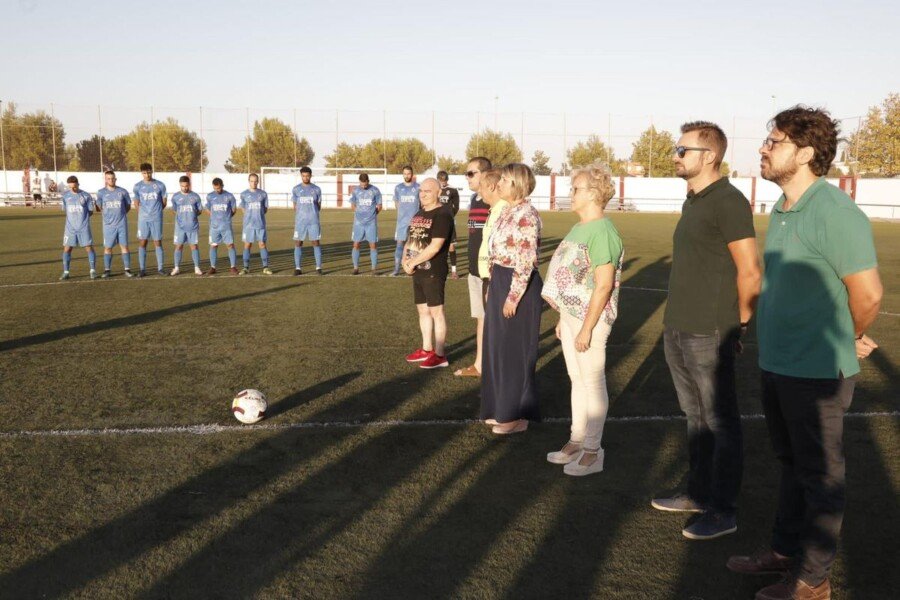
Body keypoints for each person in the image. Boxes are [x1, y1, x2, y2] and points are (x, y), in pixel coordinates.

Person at [727, 106, 882, 600]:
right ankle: (782, 551)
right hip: (778, 365)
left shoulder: (835, 211)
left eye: (775, 141)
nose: (763, 148)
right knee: (792, 465)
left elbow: (869, 294)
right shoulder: (783, 208)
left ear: (807, 153)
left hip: (817, 372)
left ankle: (813, 581)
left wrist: (846, 334)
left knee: (820, 478)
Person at [650, 121, 761, 541]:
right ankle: (698, 493)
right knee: (695, 417)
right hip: (677, 326)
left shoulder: (728, 202)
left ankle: (723, 509)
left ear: (709, 156)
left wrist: (741, 324)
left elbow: (750, 271)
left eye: (683, 149)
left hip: (709, 331)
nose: (675, 156)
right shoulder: (693, 201)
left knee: (720, 421)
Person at [542, 162, 624, 476]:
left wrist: (588, 327)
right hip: (574, 315)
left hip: (593, 318)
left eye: (576, 188)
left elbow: (603, 284)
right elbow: (572, 277)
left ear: (593, 194)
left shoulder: (603, 230)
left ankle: (593, 450)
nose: (570, 193)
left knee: (592, 380)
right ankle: (576, 440)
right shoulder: (579, 227)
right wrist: (565, 317)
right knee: (577, 379)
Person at [480, 163, 543, 435]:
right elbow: (497, 250)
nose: (499, 184)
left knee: (514, 351)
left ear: (516, 183)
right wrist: (493, 283)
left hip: (518, 285)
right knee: (497, 348)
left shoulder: (527, 214)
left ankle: (515, 416)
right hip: (501, 281)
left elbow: (526, 260)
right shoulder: (507, 211)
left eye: (504, 180)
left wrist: (512, 297)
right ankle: (501, 408)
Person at [402, 178, 453, 369]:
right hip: (417, 271)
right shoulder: (419, 213)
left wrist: (412, 262)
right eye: (421, 191)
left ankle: (440, 355)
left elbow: (435, 246)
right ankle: (426, 349)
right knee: (422, 310)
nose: (422, 194)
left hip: (433, 271)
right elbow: (410, 239)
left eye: (428, 191)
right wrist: (404, 260)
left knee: (436, 311)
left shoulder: (442, 214)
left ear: (438, 192)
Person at [453, 157, 493, 378]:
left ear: (484, 175)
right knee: (481, 319)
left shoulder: (494, 202)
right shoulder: (474, 200)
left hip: (490, 273)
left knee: (494, 321)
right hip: (475, 271)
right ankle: (480, 365)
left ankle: (495, 366)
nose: (467, 177)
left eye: (471, 173)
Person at [94, 170, 134, 278]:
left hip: (121, 224)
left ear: (115, 179)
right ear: (105, 180)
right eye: (108, 178)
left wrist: (121, 215)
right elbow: (98, 208)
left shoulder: (123, 192)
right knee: (108, 247)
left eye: (112, 178)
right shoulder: (101, 192)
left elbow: (128, 206)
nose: (111, 180)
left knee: (124, 246)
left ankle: (127, 269)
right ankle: (107, 270)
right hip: (108, 225)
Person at [133, 163, 168, 277]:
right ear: (141, 173)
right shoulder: (137, 186)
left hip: (156, 218)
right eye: (144, 173)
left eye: (148, 172)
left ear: (151, 171)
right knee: (143, 242)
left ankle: (160, 268)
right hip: (143, 219)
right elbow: (136, 203)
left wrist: (156, 212)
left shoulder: (160, 185)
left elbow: (164, 202)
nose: (147, 175)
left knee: (157, 242)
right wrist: (143, 214)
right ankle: (142, 269)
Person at [59, 176, 97, 280]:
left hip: (83, 227)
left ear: (77, 184)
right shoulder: (65, 196)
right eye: (70, 187)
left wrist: (82, 220)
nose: (72, 189)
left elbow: (90, 211)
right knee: (67, 248)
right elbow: (65, 211)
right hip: (70, 228)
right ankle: (66, 272)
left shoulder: (86, 196)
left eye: (74, 187)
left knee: (89, 247)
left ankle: (92, 270)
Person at [291, 166, 324, 275]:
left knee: (316, 242)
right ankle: (298, 268)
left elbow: (318, 206)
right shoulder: (296, 189)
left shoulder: (316, 189)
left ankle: (318, 267)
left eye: (307, 176)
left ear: (310, 176)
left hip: (313, 221)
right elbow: (295, 206)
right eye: (303, 176)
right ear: (301, 176)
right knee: (298, 242)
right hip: (300, 221)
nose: (305, 177)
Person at [169, 175, 203, 276]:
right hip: (180, 227)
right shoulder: (175, 197)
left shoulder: (196, 196)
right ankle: (176, 268)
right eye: (183, 186)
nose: (185, 188)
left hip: (193, 226)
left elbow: (200, 210)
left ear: (189, 185)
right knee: (179, 246)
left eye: (187, 185)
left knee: (194, 246)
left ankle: (197, 268)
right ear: (180, 185)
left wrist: (192, 216)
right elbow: (174, 210)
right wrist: (182, 217)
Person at [349, 173, 382, 275]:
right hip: (358, 223)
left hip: (371, 223)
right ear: (359, 182)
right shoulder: (355, 190)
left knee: (372, 245)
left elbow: (379, 205)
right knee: (356, 244)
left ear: (368, 181)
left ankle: (373, 269)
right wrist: (358, 213)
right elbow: (353, 205)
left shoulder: (375, 190)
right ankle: (355, 268)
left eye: (365, 184)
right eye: (362, 184)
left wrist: (372, 215)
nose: (363, 186)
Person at [239, 173, 272, 275]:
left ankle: (265, 267)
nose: (253, 183)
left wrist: (258, 215)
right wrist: (249, 216)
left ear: (258, 181)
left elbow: (265, 209)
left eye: (255, 181)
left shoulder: (263, 194)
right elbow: (242, 208)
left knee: (262, 244)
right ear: (249, 181)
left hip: (260, 224)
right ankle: (245, 267)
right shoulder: (244, 194)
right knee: (247, 245)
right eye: (251, 181)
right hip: (248, 225)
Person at [205, 178, 238, 276]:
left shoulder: (229, 196)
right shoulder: (210, 196)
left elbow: (234, 209)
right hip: (214, 227)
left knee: (230, 245)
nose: (217, 190)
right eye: (215, 188)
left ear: (222, 186)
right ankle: (213, 267)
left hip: (226, 226)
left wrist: (226, 218)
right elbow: (207, 209)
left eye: (218, 188)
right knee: (213, 245)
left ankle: (233, 267)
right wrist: (214, 218)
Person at [391, 165, 420, 276]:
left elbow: (421, 203)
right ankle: (396, 269)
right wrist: (402, 213)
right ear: (402, 174)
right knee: (399, 245)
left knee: (414, 246)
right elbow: (396, 203)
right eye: (405, 174)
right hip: (401, 223)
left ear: (412, 174)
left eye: (408, 173)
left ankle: (412, 268)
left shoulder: (418, 187)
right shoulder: (398, 188)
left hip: (414, 222)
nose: (407, 175)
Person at [437, 170, 460, 278]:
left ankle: (454, 271)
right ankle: (439, 269)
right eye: (441, 181)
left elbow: (456, 207)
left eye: (445, 180)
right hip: (437, 223)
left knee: (451, 247)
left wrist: (450, 217)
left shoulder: (453, 190)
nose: (443, 183)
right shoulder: (435, 190)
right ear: (438, 180)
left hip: (449, 223)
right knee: (437, 246)